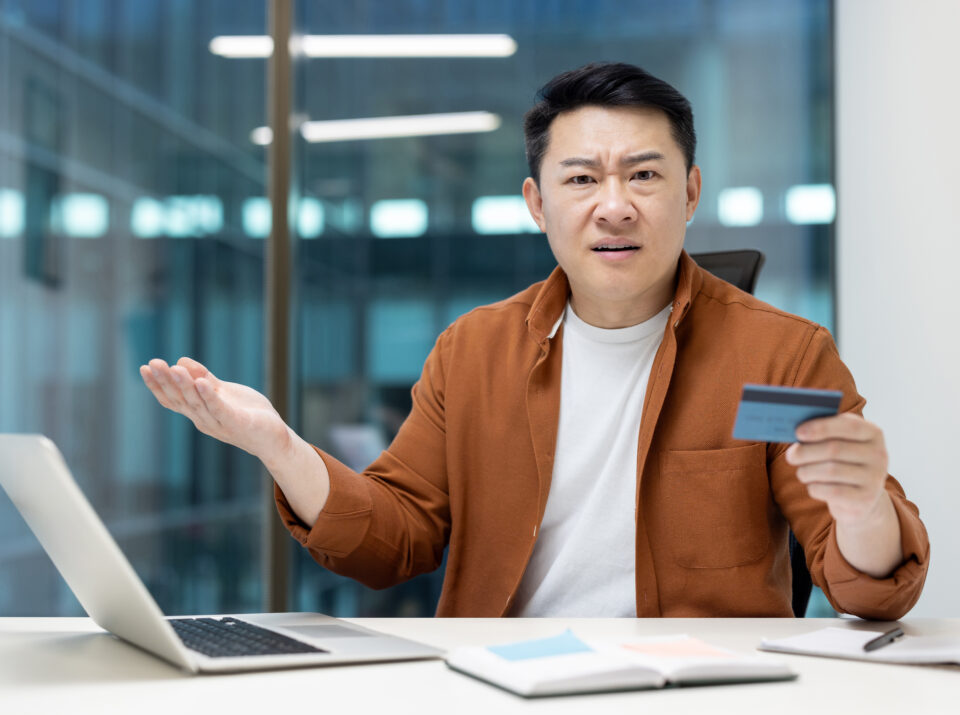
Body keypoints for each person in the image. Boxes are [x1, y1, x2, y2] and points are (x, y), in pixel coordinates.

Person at [141, 62, 928, 619]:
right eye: (582, 178)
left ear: (690, 193)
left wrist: (861, 507)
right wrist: (280, 446)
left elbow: (868, 586)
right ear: (536, 202)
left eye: (645, 176)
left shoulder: (781, 353)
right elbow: (392, 541)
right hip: (503, 690)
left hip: (699, 699)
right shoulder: (473, 350)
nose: (614, 206)